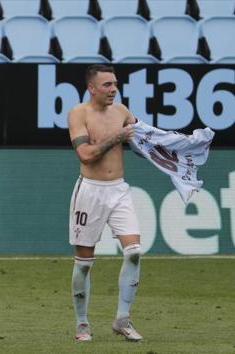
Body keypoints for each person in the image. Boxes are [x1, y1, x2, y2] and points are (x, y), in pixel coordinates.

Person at [67, 64, 142, 342]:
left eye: (115, 83)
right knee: (84, 262)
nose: (113, 89)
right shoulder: (78, 113)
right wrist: (119, 137)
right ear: (92, 88)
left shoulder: (122, 111)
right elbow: (86, 154)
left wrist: (173, 152)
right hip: (90, 192)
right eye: (107, 85)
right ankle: (82, 323)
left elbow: (142, 144)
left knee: (133, 250)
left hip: (119, 189)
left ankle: (122, 318)